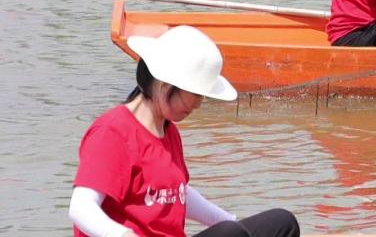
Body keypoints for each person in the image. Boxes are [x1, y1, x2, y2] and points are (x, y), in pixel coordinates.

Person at [69, 26, 301, 237]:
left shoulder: (168, 130)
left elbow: (177, 192)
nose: (199, 103)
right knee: (230, 234)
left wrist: (229, 221)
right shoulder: (112, 132)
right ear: (166, 86)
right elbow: (81, 208)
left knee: (282, 223)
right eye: (196, 94)